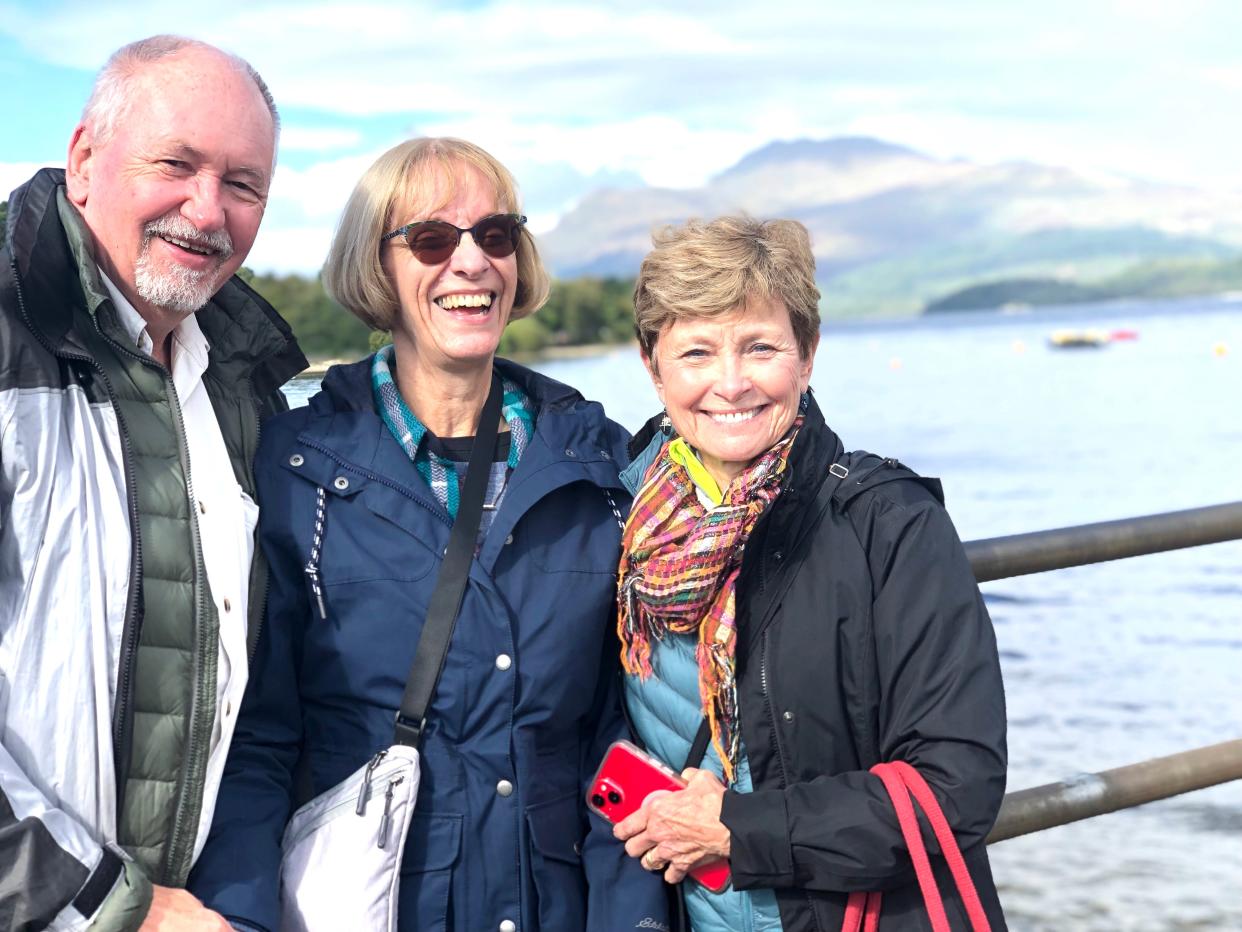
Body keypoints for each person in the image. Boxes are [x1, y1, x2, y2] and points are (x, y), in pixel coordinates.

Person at [188, 137, 667, 931]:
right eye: (432, 240)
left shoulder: (599, 469)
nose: (471, 263)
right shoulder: (294, 474)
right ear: (378, 269)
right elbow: (253, 745)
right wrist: (240, 920)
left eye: (495, 235)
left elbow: (626, 739)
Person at [611, 216, 1008, 930]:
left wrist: (741, 829)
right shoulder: (621, 521)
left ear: (808, 354)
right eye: (695, 352)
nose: (730, 384)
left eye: (760, 347)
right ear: (652, 365)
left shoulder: (887, 524)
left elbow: (959, 783)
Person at [0, 35, 305, 930]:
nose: (207, 211)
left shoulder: (241, 381)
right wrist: (109, 905)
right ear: (85, 159)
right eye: (176, 164)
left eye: (243, 184)